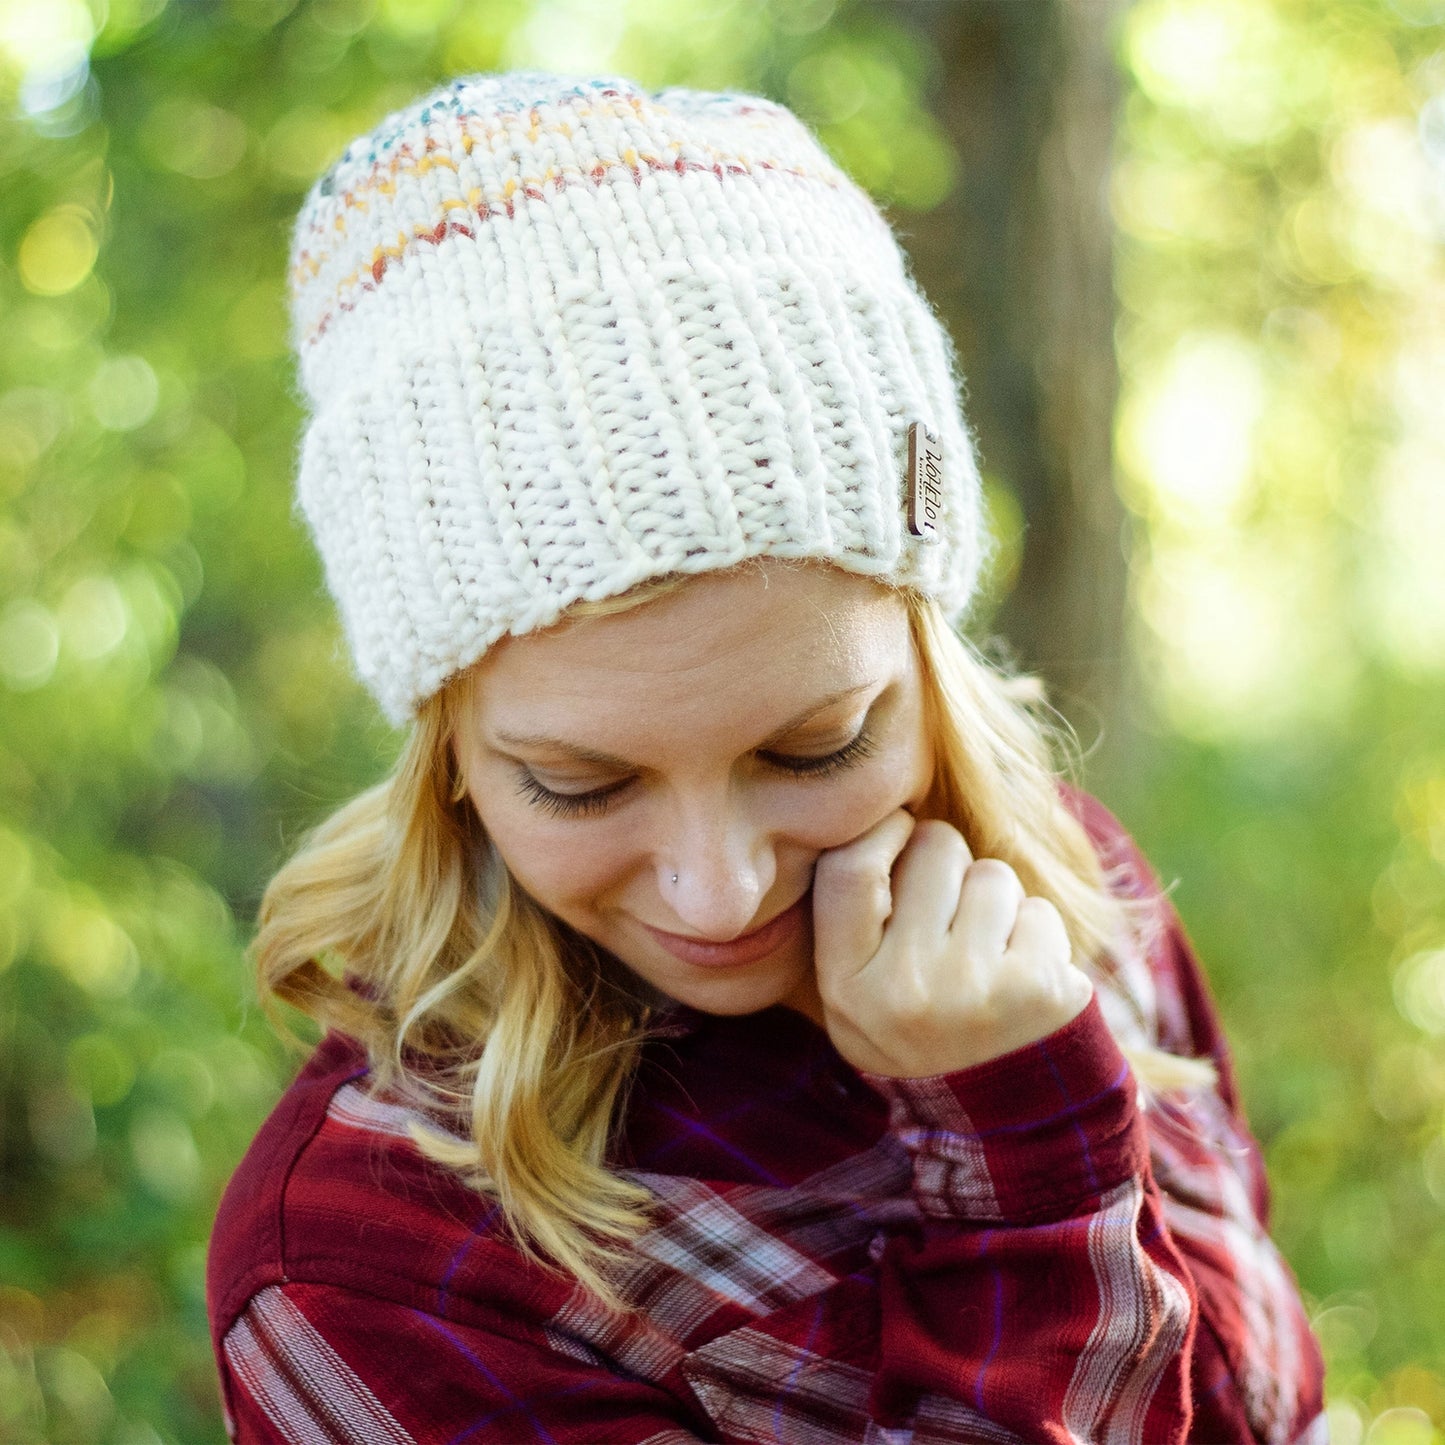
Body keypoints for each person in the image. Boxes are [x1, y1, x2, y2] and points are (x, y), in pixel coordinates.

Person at [205, 72, 1326, 1444]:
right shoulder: (366, 1263)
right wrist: (1027, 1160)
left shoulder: (1071, 888)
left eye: (817, 745)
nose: (720, 889)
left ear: (923, 656)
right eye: (580, 783)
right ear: (446, 751)